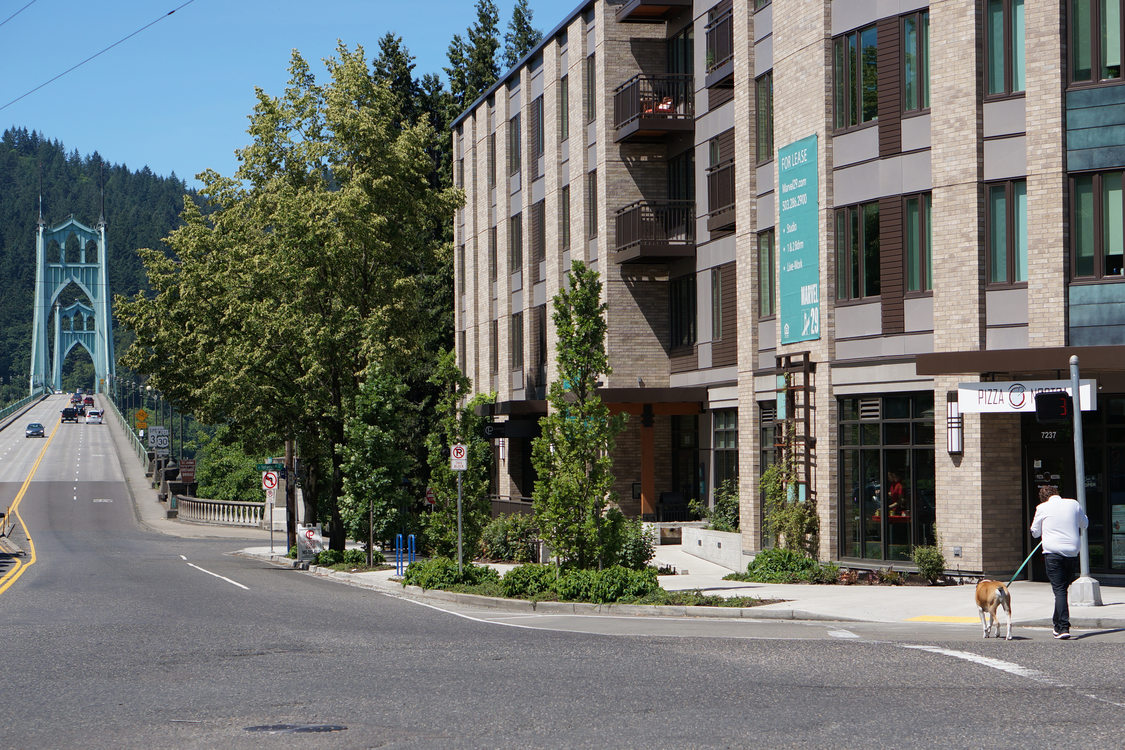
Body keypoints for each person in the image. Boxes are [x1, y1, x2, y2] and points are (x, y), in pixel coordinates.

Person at [1030, 485, 1089, 639]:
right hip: (1071, 553)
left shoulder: (1042, 507)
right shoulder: (1073, 504)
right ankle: (1057, 624)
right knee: (1063, 589)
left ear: (1043, 498)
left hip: (1053, 554)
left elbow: (1035, 532)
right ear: (1057, 493)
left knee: (1059, 590)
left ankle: (1063, 627)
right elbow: (1085, 524)